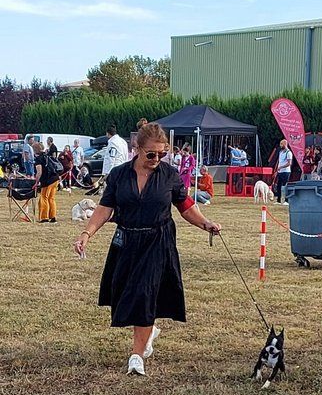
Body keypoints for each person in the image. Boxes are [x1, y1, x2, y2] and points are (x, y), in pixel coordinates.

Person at [73, 123, 221, 376]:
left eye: (162, 154)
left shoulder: (169, 175)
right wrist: (87, 234)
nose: (156, 159)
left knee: (144, 293)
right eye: (151, 154)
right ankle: (148, 331)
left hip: (158, 242)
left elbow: (185, 206)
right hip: (127, 241)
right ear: (137, 148)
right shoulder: (119, 175)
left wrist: (205, 223)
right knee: (126, 294)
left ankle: (136, 356)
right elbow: (105, 208)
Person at [35, 142, 60, 223]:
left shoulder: (39, 159)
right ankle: (53, 217)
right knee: (51, 198)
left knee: (44, 198)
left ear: (36, 150)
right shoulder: (47, 155)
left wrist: (36, 182)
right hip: (55, 179)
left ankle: (44, 218)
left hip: (47, 181)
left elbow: (39, 172)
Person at [275, 139, 292, 204]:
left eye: (281, 144)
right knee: (278, 186)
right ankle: (278, 200)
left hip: (286, 172)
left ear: (285, 144)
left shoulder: (289, 153)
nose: (280, 145)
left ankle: (286, 200)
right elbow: (279, 161)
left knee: (285, 186)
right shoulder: (280, 152)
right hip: (280, 171)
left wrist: (281, 167)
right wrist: (277, 169)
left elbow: (289, 163)